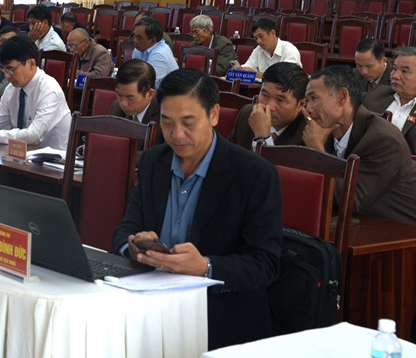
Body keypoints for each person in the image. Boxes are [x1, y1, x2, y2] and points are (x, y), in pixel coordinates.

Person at [111, 68, 283, 350]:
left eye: (188, 123)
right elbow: (125, 228)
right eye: (167, 122)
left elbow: (265, 264)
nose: (177, 134)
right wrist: (132, 246)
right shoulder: (154, 161)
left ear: (214, 115)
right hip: (151, 306)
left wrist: (206, 267)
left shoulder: (254, 173)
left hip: (221, 317)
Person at [302, 65, 416, 229]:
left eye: (314, 98)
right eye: (307, 100)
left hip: (410, 235)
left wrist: (317, 151)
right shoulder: (324, 130)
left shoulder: (383, 139)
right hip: (360, 226)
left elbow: (351, 200)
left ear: (342, 97)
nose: (308, 108)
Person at [0, 35, 72, 149]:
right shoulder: (11, 89)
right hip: (21, 154)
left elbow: (34, 136)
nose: (7, 75)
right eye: (4, 69)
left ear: (31, 64)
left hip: (53, 157)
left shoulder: (50, 90)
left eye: (11, 69)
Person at [229, 61, 308, 151]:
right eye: (265, 95)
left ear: (301, 104)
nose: (269, 107)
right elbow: (228, 156)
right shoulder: (247, 114)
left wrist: (262, 138)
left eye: (280, 100)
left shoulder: (307, 134)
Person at [109, 59, 162, 145]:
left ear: (150, 94)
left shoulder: (165, 116)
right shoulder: (116, 107)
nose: (123, 103)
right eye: (119, 95)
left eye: (130, 97)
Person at [237, 18, 301, 78]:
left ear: (273, 33)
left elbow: (286, 76)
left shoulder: (289, 50)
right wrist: (241, 70)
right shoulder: (258, 50)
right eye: (256, 38)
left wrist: (256, 74)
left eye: (261, 36)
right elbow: (246, 68)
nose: (258, 41)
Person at [131, 17, 176, 88]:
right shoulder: (139, 48)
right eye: (135, 36)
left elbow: (146, 84)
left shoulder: (159, 54)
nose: (135, 41)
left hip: (166, 93)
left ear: (152, 41)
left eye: (139, 38)